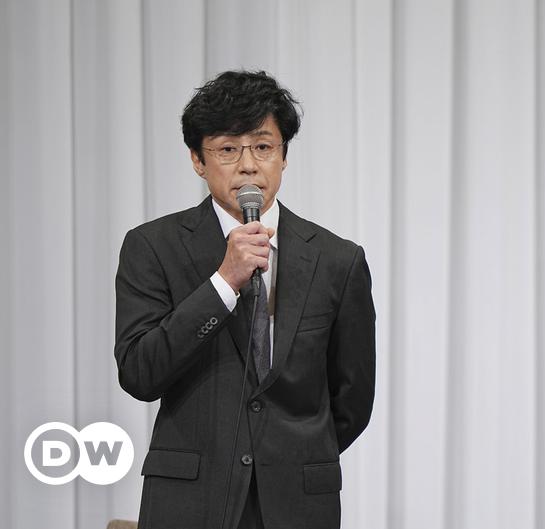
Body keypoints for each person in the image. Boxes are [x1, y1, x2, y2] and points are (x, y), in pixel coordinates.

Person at [114, 70, 375, 529]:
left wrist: (291, 453)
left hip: (297, 503)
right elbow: (140, 372)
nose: (249, 165)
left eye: (263, 147)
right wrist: (223, 282)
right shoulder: (153, 246)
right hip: (189, 501)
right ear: (198, 160)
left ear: (284, 156)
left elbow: (352, 398)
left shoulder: (338, 260)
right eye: (228, 149)